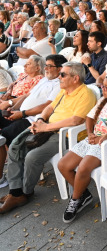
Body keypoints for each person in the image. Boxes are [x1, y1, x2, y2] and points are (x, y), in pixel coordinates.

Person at [0, 62, 97, 214]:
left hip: (65, 134)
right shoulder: (64, 91)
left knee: (32, 156)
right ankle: (15, 191)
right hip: (47, 128)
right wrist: (41, 119)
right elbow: (50, 107)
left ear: (75, 78)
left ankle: (24, 193)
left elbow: (76, 121)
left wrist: (45, 127)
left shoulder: (86, 94)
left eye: (63, 74)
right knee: (15, 146)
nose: (59, 77)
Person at [57, 74, 107, 223]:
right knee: (63, 165)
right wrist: (90, 133)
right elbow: (89, 118)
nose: (102, 89)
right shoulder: (103, 101)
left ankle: (75, 199)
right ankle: (84, 194)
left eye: (106, 87)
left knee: (84, 167)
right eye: (102, 86)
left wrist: (103, 138)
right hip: (94, 139)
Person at [0, 55, 66, 188]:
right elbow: (27, 96)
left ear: (59, 69)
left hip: (31, 120)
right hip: (20, 114)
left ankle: (1, 178)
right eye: (45, 65)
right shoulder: (45, 80)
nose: (45, 68)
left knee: (3, 137)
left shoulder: (59, 84)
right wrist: (12, 108)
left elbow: (47, 106)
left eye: (49, 66)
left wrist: (22, 113)